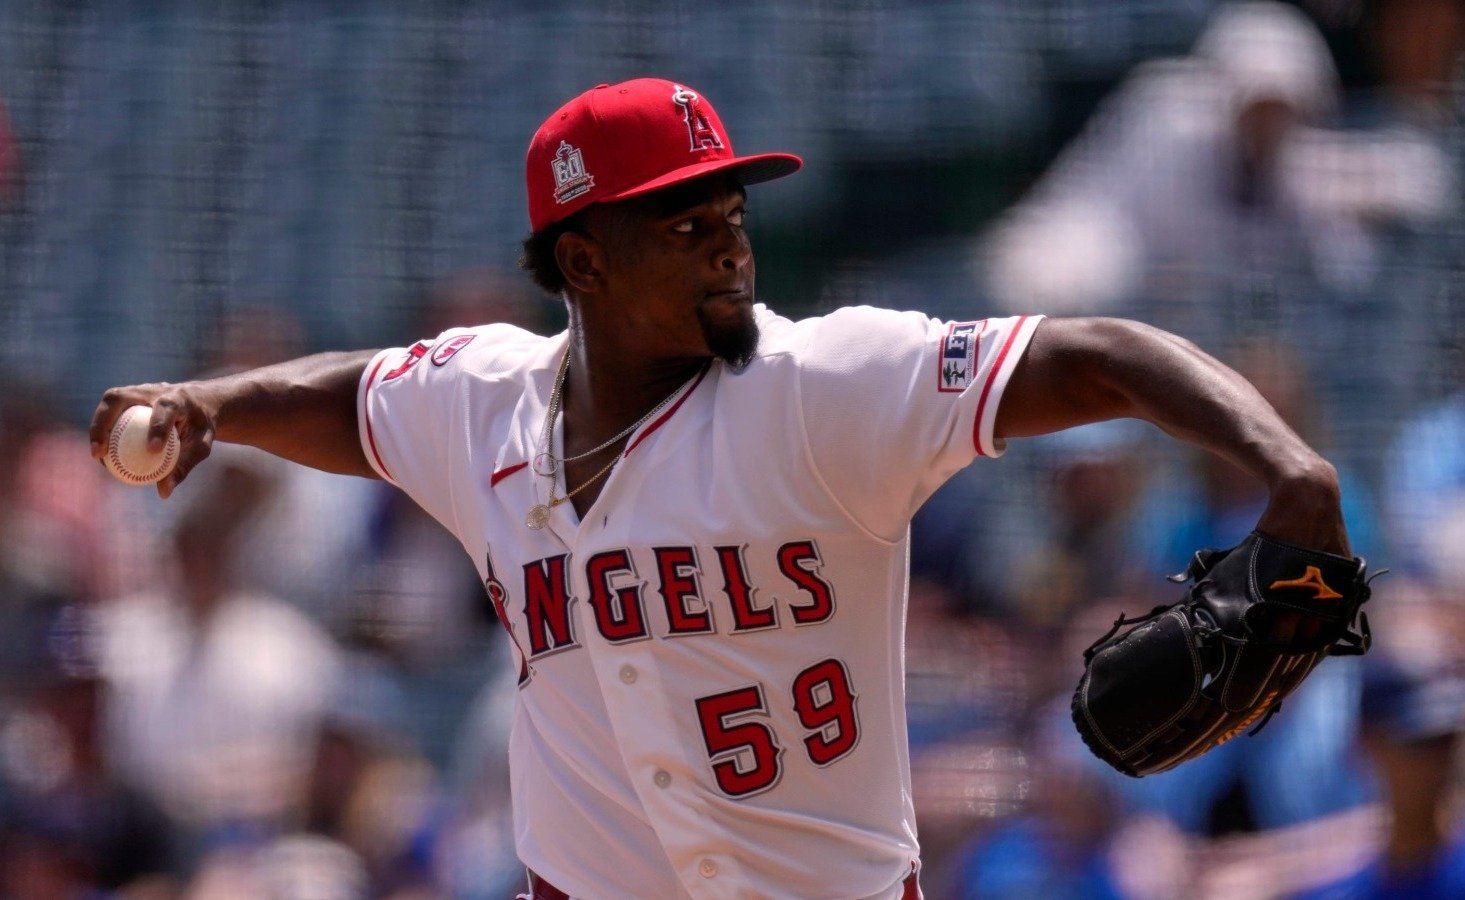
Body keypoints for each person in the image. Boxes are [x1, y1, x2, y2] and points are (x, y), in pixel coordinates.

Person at [91, 77, 1351, 900]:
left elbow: (1097, 355)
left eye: (731, 213)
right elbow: (354, 398)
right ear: (582, 262)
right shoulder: (479, 398)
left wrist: (1288, 467)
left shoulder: (823, 384)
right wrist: (213, 405)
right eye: (682, 223)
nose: (730, 245)